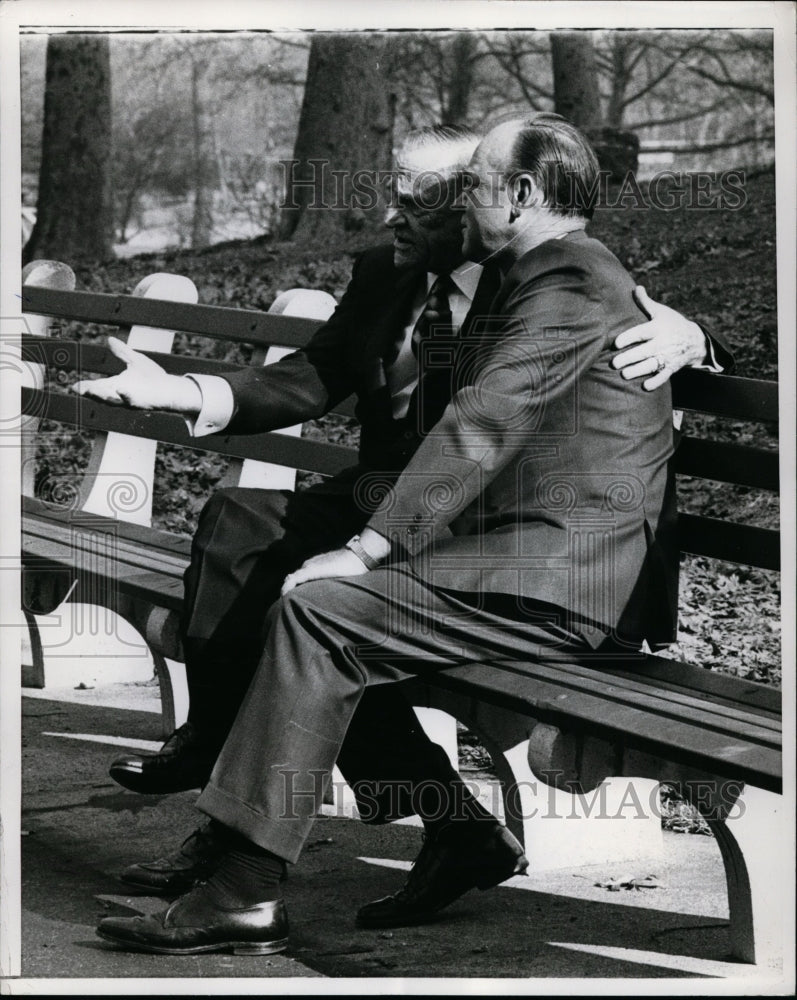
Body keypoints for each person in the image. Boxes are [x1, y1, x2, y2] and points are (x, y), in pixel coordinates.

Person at [92, 113, 721, 956]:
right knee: (281, 574)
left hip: (558, 573)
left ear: (515, 194)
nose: (427, 208)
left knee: (319, 613)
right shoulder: (523, 269)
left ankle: (245, 887)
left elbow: (482, 422)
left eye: (467, 187)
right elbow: (358, 380)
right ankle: (404, 832)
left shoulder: (565, 277)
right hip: (496, 547)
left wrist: (365, 550)